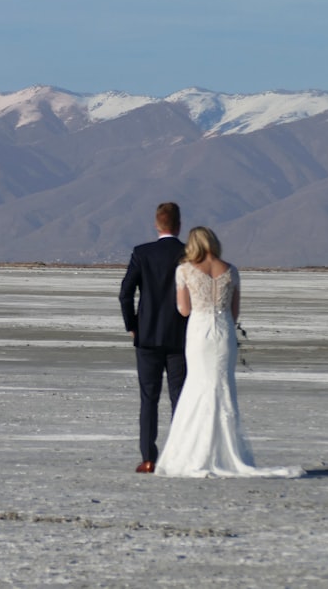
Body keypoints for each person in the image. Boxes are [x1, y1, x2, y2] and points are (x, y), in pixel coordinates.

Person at [155, 226, 303, 478]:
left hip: (199, 333)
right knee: (222, 387)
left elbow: (183, 309)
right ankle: (224, 452)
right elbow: (234, 312)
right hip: (224, 333)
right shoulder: (231, 270)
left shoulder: (185, 270)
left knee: (198, 385)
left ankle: (194, 452)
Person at [118, 202, 188, 474]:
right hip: (180, 337)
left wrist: (132, 325)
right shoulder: (187, 254)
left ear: (157, 225)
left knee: (149, 398)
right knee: (179, 398)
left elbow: (125, 294)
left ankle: (148, 458)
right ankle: (180, 454)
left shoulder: (142, 253)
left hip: (146, 337)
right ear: (179, 225)